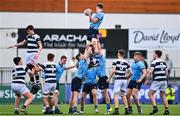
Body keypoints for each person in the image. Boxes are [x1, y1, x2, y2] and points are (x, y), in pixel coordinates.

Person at [9, 25, 43, 94]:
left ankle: (37, 83)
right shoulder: (28, 36)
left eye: (28, 31)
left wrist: (38, 54)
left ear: (31, 30)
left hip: (33, 54)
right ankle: (34, 85)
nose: (27, 32)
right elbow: (22, 43)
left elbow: (41, 46)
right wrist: (14, 45)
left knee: (34, 69)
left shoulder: (36, 36)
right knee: (30, 71)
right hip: (28, 54)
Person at [107, 50, 131, 115]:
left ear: (119, 54)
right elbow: (131, 73)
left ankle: (116, 110)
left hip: (118, 80)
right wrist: (127, 78)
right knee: (123, 95)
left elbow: (113, 71)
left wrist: (109, 78)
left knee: (116, 94)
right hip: (124, 80)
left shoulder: (115, 61)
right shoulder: (126, 62)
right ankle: (126, 110)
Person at [69, 47, 91, 114]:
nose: (83, 55)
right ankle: (75, 110)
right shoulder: (82, 61)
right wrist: (90, 45)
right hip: (77, 80)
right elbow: (88, 52)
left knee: (72, 95)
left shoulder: (81, 62)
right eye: (81, 55)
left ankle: (70, 109)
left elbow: (87, 54)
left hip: (75, 79)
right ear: (79, 58)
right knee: (76, 95)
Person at [148, 50, 169, 115]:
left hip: (157, 80)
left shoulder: (154, 62)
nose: (153, 55)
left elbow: (151, 71)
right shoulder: (164, 62)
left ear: (156, 54)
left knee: (150, 94)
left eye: (154, 54)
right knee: (163, 95)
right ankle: (167, 110)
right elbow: (166, 72)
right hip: (164, 80)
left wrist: (147, 78)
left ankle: (155, 108)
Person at [95, 41, 111, 114]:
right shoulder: (96, 59)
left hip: (103, 77)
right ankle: (96, 108)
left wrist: (97, 42)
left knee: (105, 93)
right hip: (99, 78)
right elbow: (96, 51)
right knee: (98, 92)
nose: (98, 53)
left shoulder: (102, 59)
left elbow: (99, 50)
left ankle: (108, 109)